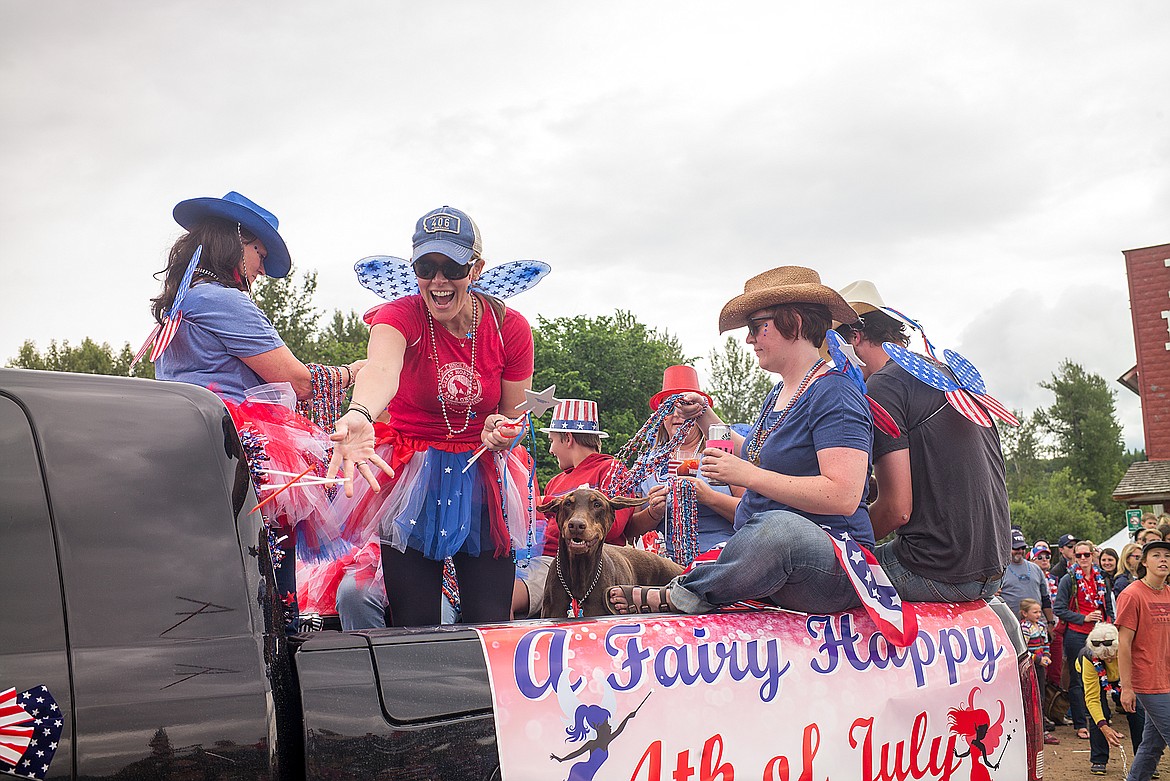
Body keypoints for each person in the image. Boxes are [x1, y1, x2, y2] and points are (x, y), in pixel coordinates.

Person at [607, 266, 873, 618]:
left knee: (778, 528)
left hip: (835, 559)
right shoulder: (781, 391)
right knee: (767, 529)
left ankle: (683, 592)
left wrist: (747, 475)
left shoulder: (835, 392)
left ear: (792, 321)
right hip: (769, 551)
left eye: (755, 326)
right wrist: (703, 414)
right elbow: (754, 449)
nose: (749, 339)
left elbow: (843, 495)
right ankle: (698, 584)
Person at [151, 191, 362, 623]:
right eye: (258, 252)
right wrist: (350, 374)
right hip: (239, 443)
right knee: (267, 560)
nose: (262, 268)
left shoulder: (182, 302)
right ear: (234, 241)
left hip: (189, 441)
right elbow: (298, 382)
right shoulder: (221, 300)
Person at [327, 206, 536, 627]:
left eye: (451, 267)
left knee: (490, 620)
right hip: (413, 477)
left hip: (483, 476)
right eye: (426, 266)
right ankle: (421, 694)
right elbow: (382, 370)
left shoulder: (508, 328)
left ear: (475, 269)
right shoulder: (399, 315)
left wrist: (504, 431)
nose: (438, 281)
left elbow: (517, 416)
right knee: (414, 621)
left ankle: (483, 694)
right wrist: (359, 412)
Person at [836, 280, 1007, 602]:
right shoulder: (945, 373)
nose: (836, 365)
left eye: (836, 349)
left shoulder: (885, 386)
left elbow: (897, 510)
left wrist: (841, 545)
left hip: (936, 568)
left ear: (855, 338)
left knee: (812, 577)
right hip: (994, 568)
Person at [515, 399, 637, 619]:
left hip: (587, 567)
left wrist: (549, 500)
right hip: (548, 564)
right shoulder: (555, 481)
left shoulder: (611, 469)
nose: (551, 450)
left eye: (552, 441)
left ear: (568, 438)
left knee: (504, 596)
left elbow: (615, 527)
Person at [623, 366, 739, 566]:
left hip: (720, 560)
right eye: (669, 409)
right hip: (660, 564)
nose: (677, 415)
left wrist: (709, 497)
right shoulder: (646, 463)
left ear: (700, 412)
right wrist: (653, 513)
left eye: (685, 407)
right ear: (661, 417)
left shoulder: (723, 450)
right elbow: (629, 529)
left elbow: (753, 513)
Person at [1117, 539, 1170, 781]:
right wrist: (1127, 688)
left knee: (1151, 745)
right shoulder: (1132, 594)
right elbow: (1124, 645)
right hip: (1147, 681)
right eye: (1157, 555)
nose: (1163, 560)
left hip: (1166, 678)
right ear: (1144, 562)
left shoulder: (1168, 593)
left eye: (1167, 556)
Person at [1056, 540, 1117, 739]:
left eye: (1086, 555)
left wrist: (1110, 626)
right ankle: (1081, 724)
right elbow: (1059, 609)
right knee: (1077, 680)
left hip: (1099, 636)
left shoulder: (1102, 578)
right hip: (1077, 634)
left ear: (1092, 555)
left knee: (1102, 678)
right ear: (1074, 557)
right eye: (1079, 555)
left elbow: (1108, 605)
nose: (1083, 558)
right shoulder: (1069, 579)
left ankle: (1102, 723)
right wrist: (1084, 618)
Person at [1077, 622, 1146, 776]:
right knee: (1099, 714)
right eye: (1103, 657)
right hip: (1096, 676)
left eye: (1111, 655)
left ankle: (1145, 761)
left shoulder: (1130, 649)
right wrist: (1104, 727)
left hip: (1124, 677)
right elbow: (1092, 699)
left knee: (1138, 711)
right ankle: (1099, 759)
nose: (1108, 660)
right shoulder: (1088, 656)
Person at [999, 529, 1056, 624]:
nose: (1020, 551)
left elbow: (1045, 599)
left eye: (1022, 548)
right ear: (1007, 547)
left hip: (1035, 627)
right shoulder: (999, 570)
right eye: (1016, 548)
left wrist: (1050, 622)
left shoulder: (1036, 568)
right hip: (1009, 625)